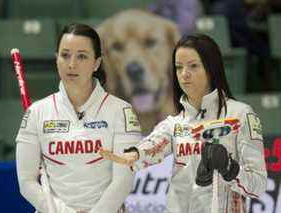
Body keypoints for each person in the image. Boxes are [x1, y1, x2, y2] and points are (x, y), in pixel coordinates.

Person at [100, 34, 267, 212]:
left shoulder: (240, 115)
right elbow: (151, 145)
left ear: (211, 68)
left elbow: (258, 185)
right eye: (179, 67)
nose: (184, 74)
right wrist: (133, 155)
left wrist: (229, 169)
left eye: (193, 66)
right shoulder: (174, 124)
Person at [15, 23, 142, 213]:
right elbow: (26, 182)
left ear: (96, 63)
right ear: (56, 59)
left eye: (82, 56)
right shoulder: (37, 112)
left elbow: (123, 182)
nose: (72, 64)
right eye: (65, 55)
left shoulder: (121, 111)